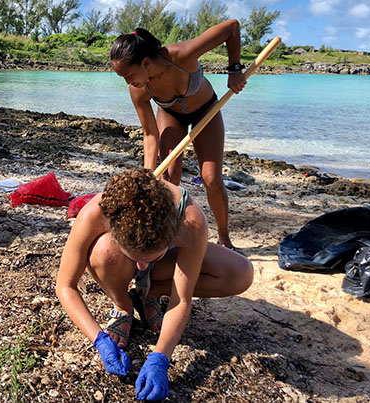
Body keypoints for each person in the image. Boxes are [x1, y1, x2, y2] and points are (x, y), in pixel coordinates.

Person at [56, 168, 252, 400]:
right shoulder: (96, 212)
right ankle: (123, 305)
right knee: (105, 251)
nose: (141, 268)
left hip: (167, 262)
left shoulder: (189, 219)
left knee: (241, 273)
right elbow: (65, 286)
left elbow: (181, 300)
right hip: (116, 261)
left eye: (149, 259)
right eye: (135, 258)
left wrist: (161, 357)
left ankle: (149, 293)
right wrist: (98, 338)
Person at [110, 20, 247, 250]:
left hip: (207, 110)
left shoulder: (181, 55)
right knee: (167, 179)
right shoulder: (138, 90)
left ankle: (224, 239)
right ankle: (168, 238)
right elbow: (150, 134)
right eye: (122, 77)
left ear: (145, 63)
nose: (128, 82)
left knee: (211, 178)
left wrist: (234, 70)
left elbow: (232, 27)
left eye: (129, 74)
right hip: (171, 115)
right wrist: (148, 172)